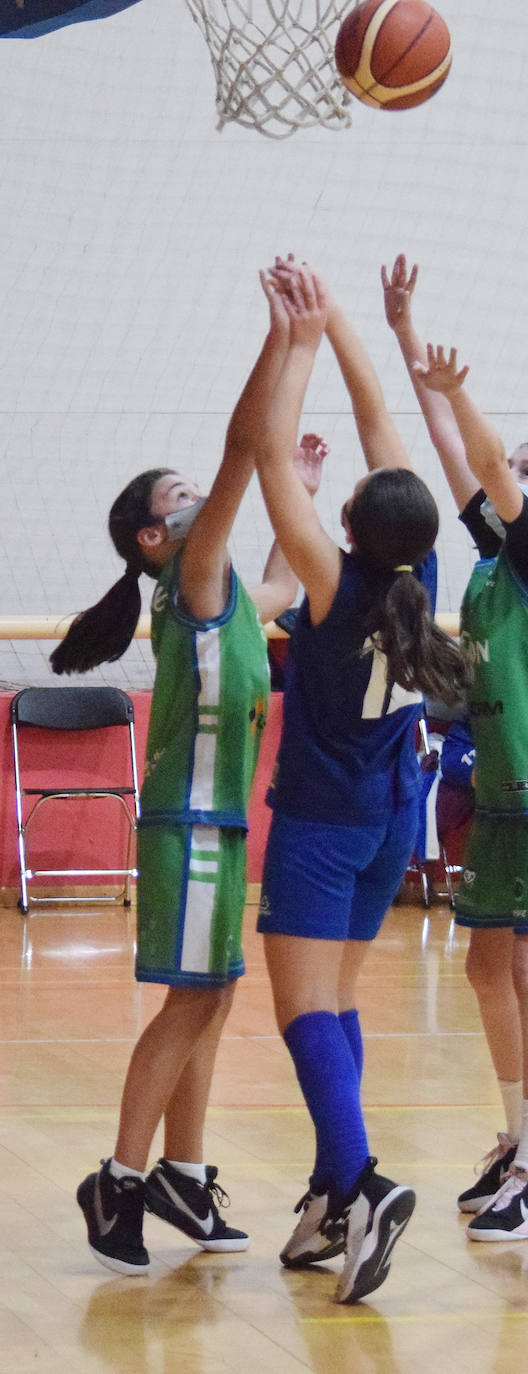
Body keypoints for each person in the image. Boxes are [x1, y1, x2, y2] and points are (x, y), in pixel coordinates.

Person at [51, 269, 315, 1277]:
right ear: (154, 539)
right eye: (179, 497)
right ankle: (119, 1179)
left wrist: (311, 485)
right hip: (188, 827)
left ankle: (186, 1175)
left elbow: (288, 577)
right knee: (192, 1004)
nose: (199, 495)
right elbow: (244, 450)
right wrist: (283, 344)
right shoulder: (190, 578)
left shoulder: (228, 586)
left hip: (214, 827)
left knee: (212, 998)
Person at [252, 261, 469, 1303]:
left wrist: (296, 338)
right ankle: (334, 1197)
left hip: (323, 823)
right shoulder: (423, 579)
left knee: (301, 1012)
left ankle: (365, 1181)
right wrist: (346, 325)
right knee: (336, 1000)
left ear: (347, 526)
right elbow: (382, 413)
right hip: (389, 822)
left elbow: (265, 456)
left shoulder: (336, 585)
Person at [385, 260, 528, 1243]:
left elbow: (477, 462)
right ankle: (520, 1142)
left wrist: (463, 394)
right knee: (482, 968)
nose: (505, 479)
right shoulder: (490, 563)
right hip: (502, 785)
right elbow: (455, 462)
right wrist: (408, 343)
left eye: (527, 474)